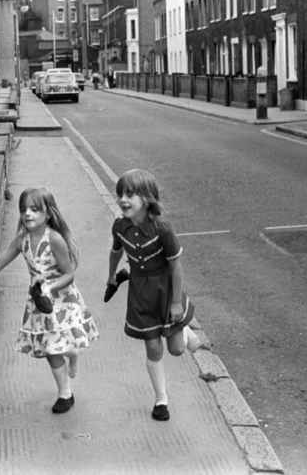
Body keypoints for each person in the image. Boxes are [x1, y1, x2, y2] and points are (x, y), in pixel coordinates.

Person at [0, 187, 98, 414]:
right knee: (50, 349)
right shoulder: (22, 241)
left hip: (63, 299)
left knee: (59, 345)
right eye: (24, 209)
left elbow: (69, 274)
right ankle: (65, 394)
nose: (28, 214)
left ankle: (73, 354)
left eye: (35, 210)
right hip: (40, 302)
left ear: (48, 214)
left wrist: (49, 286)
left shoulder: (55, 239)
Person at [105, 169, 201, 422]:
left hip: (165, 290)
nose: (123, 199)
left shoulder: (162, 228)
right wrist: (111, 275)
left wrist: (177, 302)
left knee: (178, 350)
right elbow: (115, 252)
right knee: (153, 345)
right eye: (120, 194)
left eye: (130, 194)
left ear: (147, 199)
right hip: (140, 292)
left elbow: (175, 266)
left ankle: (185, 328)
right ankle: (161, 399)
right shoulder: (120, 226)